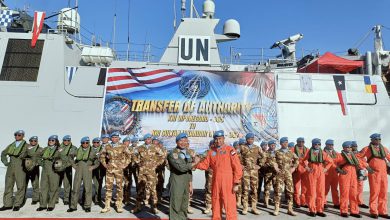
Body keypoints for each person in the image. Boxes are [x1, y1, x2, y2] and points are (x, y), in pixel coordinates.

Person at [194, 130, 243, 220]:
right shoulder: (211, 151)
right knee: (216, 201)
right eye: (216, 139)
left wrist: (236, 182)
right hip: (216, 181)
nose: (218, 141)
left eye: (220, 139)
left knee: (229, 203)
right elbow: (205, 165)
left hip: (228, 181)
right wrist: (196, 164)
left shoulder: (230, 150)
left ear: (223, 138)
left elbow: (237, 167)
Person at [358, 133, 390, 219]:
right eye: (376, 139)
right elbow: (358, 157)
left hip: (383, 173)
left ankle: (382, 211)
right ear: (371, 140)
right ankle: (374, 211)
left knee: (383, 193)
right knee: (375, 192)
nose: (378, 141)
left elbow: (389, 157)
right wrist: (367, 166)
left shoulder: (384, 148)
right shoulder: (367, 149)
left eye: (379, 139)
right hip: (374, 173)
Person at [131, 133, 164, 214]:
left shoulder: (155, 147)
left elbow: (162, 156)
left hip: (151, 171)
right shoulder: (140, 148)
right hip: (142, 171)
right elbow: (133, 155)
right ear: (144, 140)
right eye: (146, 139)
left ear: (151, 140)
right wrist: (138, 162)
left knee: (153, 189)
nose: (148, 140)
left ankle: (154, 207)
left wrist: (157, 164)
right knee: (140, 188)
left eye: (149, 139)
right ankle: (138, 206)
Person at [333, 141, 367, 218]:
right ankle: (344, 211)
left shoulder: (354, 156)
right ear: (343, 148)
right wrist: (339, 170)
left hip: (353, 176)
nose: (349, 149)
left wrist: (363, 173)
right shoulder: (340, 155)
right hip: (345, 176)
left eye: (350, 147)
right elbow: (333, 163)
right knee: (344, 194)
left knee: (353, 194)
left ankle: (354, 211)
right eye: (347, 147)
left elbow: (359, 165)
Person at [100, 132, 131, 213]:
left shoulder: (123, 146)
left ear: (118, 138)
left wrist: (124, 165)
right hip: (109, 169)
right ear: (111, 138)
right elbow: (102, 156)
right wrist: (104, 164)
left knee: (119, 187)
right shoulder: (107, 146)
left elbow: (129, 156)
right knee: (108, 187)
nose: (114, 139)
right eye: (113, 137)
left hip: (118, 169)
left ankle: (119, 205)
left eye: (116, 137)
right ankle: (107, 205)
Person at [168, 133, 196, 220]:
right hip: (177, 181)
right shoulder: (173, 154)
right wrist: (195, 162)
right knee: (176, 204)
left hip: (186, 182)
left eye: (185, 140)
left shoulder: (187, 153)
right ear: (177, 142)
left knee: (184, 204)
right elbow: (181, 168)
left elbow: (189, 170)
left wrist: (190, 184)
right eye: (181, 140)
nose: (183, 142)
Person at [67, 137, 99, 213]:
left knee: (88, 189)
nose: (85, 144)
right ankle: (73, 206)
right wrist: (74, 165)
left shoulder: (93, 151)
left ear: (89, 143)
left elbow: (98, 161)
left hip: (87, 170)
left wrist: (93, 167)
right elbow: (70, 157)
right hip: (79, 169)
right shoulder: (77, 150)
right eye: (83, 143)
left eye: (87, 143)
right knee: (75, 188)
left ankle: (87, 206)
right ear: (81, 143)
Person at [303, 138, 333, 217]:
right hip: (312, 171)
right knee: (312, 192)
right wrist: (307, 168)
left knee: (321, 192)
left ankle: (320, 210)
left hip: (320, 171)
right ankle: (312, 210)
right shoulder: (309, 152)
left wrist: (325, 169)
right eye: (315, 144)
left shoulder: (323, 153)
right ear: (312, 144)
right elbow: (302, 160)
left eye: (319, 144)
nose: (317, 145)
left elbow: (330, 162)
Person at [0, 130, 28, 211]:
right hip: (10, 167)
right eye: (15, 135)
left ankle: (17, 204)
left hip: (20, 167)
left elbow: (32, 156)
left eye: (19, 135)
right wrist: (5, 162)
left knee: (20, 186)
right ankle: (7, 204)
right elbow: (3, 153)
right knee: (8, 185)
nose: (17, 136)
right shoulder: (11, 145)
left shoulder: (26, 146)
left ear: (23, 136)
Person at [273, 137, 299, 216]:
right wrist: (276, 167)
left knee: (290, 191)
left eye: (287, 142)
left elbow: (297, 160)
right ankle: (276, 208)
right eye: (284, 142)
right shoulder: (277, 152)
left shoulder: (290, 152)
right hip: (279, 174)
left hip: (288, 174)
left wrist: (294, 167)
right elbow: (273, 161)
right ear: (281, 143)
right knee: (278, 191)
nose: (286, 144)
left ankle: (290, 209)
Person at [37, 135, 62, 211]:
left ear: (56, 141)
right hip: (45, 171)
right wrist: (42, 163)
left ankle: (51, 205)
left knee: (53, 188)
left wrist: (59, 166)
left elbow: (64, 159)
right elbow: (38, 157)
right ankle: (43, 205)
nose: (51, 142)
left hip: (54, 170)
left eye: (53, 140)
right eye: (50, 140)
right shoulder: (45, 149)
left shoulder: (59, 150)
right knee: (43, 188)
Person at [240, 133, 264, 215]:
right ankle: (245, 207)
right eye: (249, 139)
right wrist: (240, 165)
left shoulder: (257, 148)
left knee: (254, 189)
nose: (250, 140)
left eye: (252, 139)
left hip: (254, 172)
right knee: (245, 189)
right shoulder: (242, 147)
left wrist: (260, 165)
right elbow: (236, 157)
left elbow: (264, 156)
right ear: (246, 139)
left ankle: (254, 207)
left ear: (253, 139)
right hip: (245, 171)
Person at [57, 135, 77, 205]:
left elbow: (74, 155)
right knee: (57, 182)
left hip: (68, 167)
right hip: (59, 166)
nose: (66, 142)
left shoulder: (73, 148)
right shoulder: (59, 147)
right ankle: (55, 198)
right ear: (63, 140)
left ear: (70, 141)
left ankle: (66, 198)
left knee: (67, 183)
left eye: (68, 140)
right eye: (65, 140)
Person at [24, 136, 43, 205]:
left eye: (35, 141)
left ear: (37, 141)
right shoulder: (26, 148)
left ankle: (35, 198)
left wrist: (39, 162)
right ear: (29, 141)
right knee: (24, 184)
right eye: (31, 141)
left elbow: (45, 157)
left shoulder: (40, 149)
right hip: (26, 168)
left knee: (35, 183)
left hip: (35, 168)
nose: (33, 142)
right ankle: (22, 198)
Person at [291, 137, 308, 208]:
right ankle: (297, 202)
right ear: (297, 142)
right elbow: (290, 159)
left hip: (305, 170)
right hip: (297, 170)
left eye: (302, 142)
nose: (301, 143)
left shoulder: (307, 150)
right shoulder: (292, 150)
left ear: (304, 142)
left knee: (305, 187)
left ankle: (303, 202)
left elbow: (310, 159)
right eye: (299, 141)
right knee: (296, 187)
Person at [351, 141, 369, 209]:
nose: (355, 147)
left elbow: (364, 161)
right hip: (353, 172)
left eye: (356, 146)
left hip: (361, 172)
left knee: (360, 188)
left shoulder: (361, 154)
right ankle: (353, 202)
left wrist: (365, 172)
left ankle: (359, 202)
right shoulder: (349, 154)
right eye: (353, 146)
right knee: (353, 188)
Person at [323, 139, 340, 209]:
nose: (331, 146)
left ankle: (336, 203)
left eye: (332, 145)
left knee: (335, 189)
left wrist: (339, 168)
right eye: (329, 145)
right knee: (325, 189)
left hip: (335, 173)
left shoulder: (336, 153)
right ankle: (323, 202)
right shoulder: (322, 153)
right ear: (326, 145)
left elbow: (340, 161)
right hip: (326, 173)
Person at [263, 140, 278, 208]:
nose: (273, 146)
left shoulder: (277, 152)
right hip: (268, 173)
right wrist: (272, 164)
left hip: (275, 173)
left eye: (274, 145)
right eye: (271, 145)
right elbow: (263, 163)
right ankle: (266, 202)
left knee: (276, 187)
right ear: (268, 145)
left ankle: (276, 201)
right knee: (267, 188)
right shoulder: (265, 153)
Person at [202, 140, 215, 214]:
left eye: (214, 144)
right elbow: (202, 160)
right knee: (209, 188)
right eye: (212, 144)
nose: (213, 145)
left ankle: (218, 205)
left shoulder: (220, 151)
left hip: (219, 174)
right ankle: (208, 206)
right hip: (210, 174)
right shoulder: (206, 152)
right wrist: (207, 167)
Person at [91, 137, 104, 204]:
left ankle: (97, 198)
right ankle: (85, 198)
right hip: (90, 168)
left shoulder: (102, 149)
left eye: (97, 142)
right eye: (94, 142)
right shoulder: (90, 149)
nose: (96, 144)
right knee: (87, 184)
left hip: (99, 169)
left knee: (98, 184)